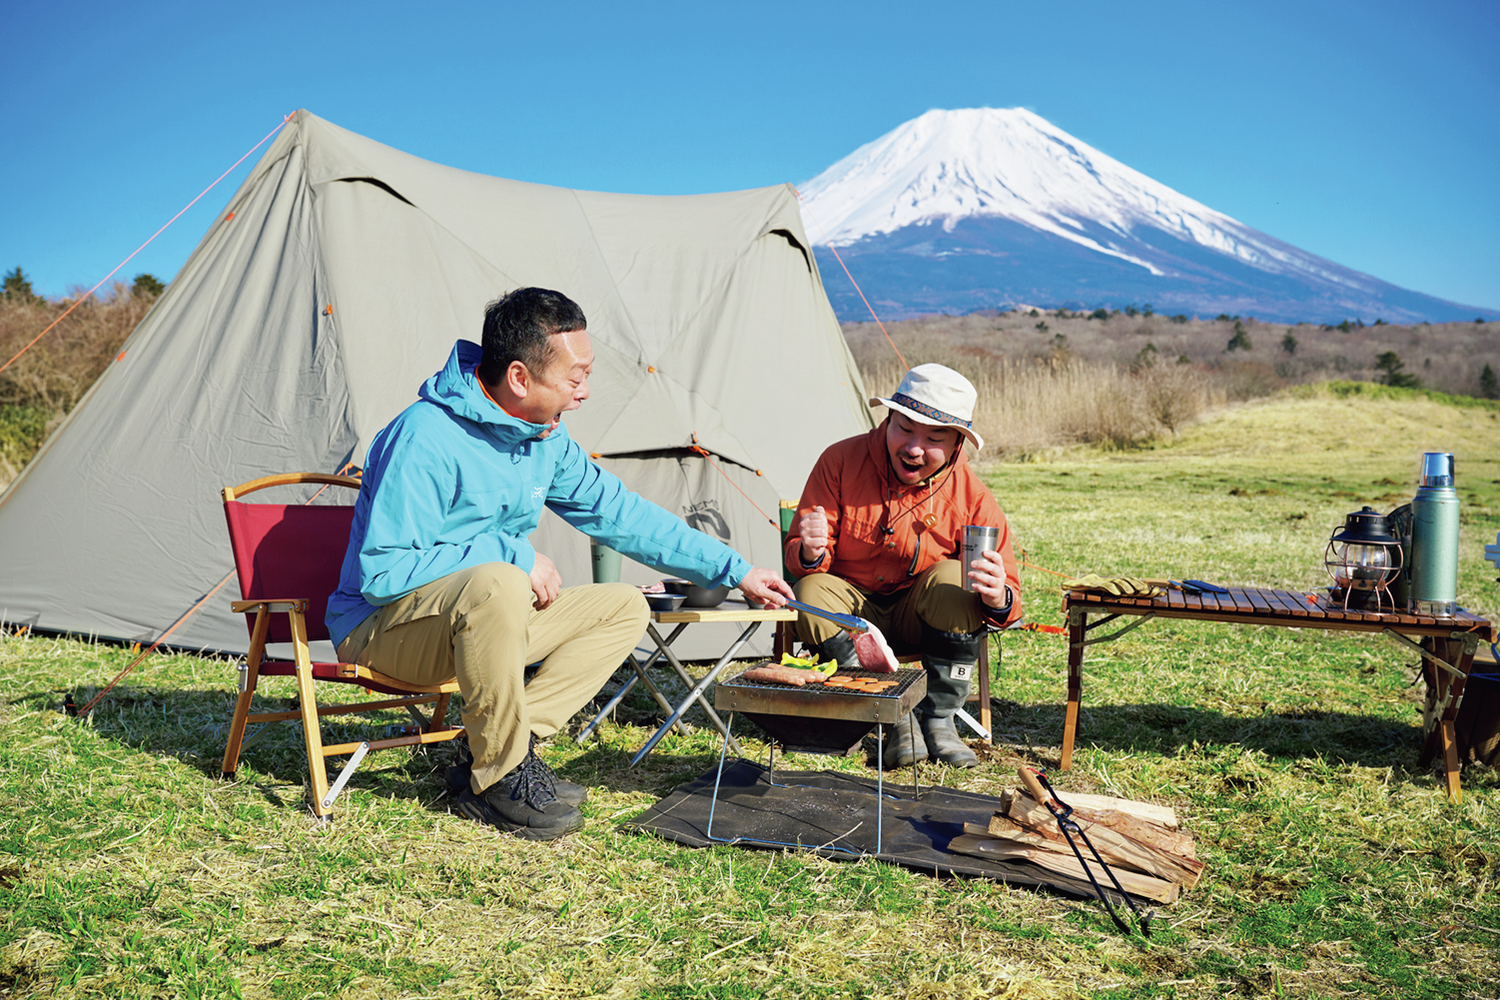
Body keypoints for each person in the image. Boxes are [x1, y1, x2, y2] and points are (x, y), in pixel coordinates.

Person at [327, 287, 792, 840]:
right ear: (520, 378)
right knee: (499, 580)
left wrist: (732, 569)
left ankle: (496, 745)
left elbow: (623, 516)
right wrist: (512, 556)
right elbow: (383, 573)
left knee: (621, 605)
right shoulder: (425, 437)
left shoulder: (545, 438)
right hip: (385, 631)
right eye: (575, 378)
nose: (585, 393)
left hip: (483, 624)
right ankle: (496, 780)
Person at [784, 363, 1022, 769]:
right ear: (887, 419)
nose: (913, 447)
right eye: (904, 428)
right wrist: (808, 550)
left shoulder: (973, 496)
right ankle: (888, 715)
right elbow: (803, 564)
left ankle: (939, 720)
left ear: (956, 445)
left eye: (933, 437)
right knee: (811, 592)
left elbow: (1009, 605)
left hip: (922, 618)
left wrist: (998, 594)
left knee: (955, 577)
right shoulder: (840, 461)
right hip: (854, 616)